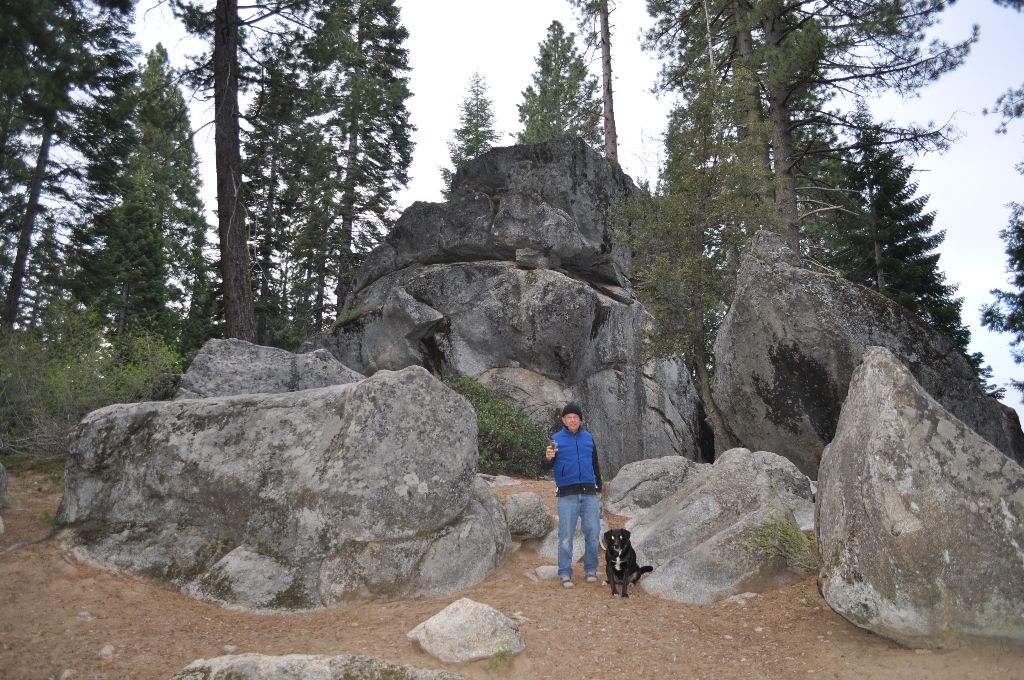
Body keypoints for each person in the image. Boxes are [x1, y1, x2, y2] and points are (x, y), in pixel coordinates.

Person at [544, 402, 602, 588]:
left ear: (580, 420)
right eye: (569, 417)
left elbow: (595, 464)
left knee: (593, 533)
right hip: (567, 494)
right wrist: (547, 458)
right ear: (563, 420)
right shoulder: (555, 439)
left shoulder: (588, 438)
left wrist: (598, 487)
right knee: (566, 536)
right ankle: (565, 573)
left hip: (589, 493)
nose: (572, 420)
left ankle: (591, 569)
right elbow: (546, 465)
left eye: (575, 417)